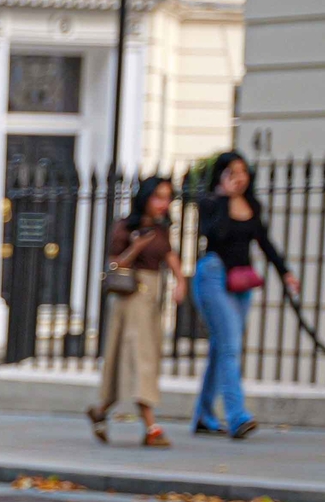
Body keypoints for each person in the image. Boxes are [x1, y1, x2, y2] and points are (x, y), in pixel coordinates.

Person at [189, 152, 296, 440]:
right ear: (222, 176)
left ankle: (203, 415)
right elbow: (214, 234)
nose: (239, 177)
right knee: (230, 346)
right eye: (232, 172)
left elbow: (265, 243)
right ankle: (237, 417)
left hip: (241, 282)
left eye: (242, 171)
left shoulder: (253, 205)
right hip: (213, 276)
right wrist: (225, 198)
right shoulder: (211, 203)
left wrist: (285, 272)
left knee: (221, 348)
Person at [89, 176, 185, 449]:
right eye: (158, 197)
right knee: (138, 356)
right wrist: (136, 248)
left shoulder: (161, 229)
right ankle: (151, 425)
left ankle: (101, 410)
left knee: (138, 356)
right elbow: (114, 264)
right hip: (130, 297)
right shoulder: (124, 227)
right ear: (145, 198)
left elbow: (169, 256)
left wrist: (181, 281)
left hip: (152, 298)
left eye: (167, 198)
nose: (163, 204)